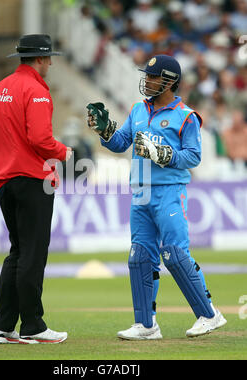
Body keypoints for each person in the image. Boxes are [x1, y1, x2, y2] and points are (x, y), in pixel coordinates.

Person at [86, 54, 227, 339]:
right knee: (139, 257)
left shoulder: (186, 116)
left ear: (169, 82)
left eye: (153, 77)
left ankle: (209, 314)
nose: (147, 81)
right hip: (140, 192)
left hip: (169, 192)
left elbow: (193, 157)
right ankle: (146, 325)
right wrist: (105, 130)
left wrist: (164, 155)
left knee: (174, 254)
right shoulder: (138, 109)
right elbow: (121, 143)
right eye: (147, 76)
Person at [0, 34, 72, 345]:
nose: (51, 63)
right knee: (32, 253)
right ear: (41, 59)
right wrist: (66, 153)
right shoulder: (37, 91)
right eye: (49, 59)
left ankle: (3, 326)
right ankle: (33, 325)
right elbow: (40, 140)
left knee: (17, 252)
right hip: (33, 182)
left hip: (6, 183)